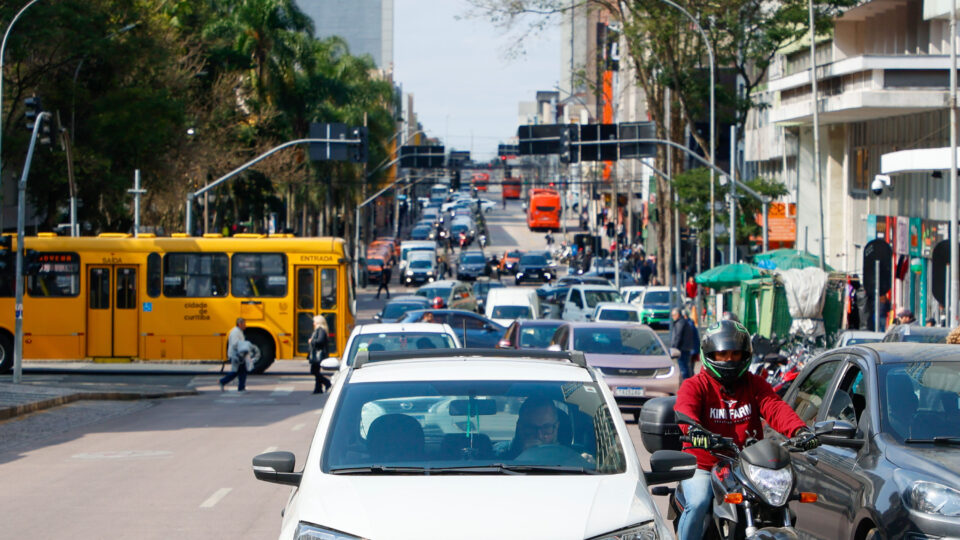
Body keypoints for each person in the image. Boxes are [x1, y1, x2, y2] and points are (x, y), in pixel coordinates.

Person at [674, 320, 819, 540]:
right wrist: (695, 433)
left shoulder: (754, 383)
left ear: (746, 355)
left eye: (736, 354)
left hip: (747, 466)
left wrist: (800, 431)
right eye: (723, 354)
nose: (730, 360)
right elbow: (686, 412)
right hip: (704, 465)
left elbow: (775, 407)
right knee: (698, 502)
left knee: (778, 501)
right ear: (710, 355)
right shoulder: (695, 385)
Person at [495, 396, 560, 459]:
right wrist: (522, 456)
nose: (539, 435)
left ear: (556, 427)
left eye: (546, 428)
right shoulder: (500, 456)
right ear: (519, 427)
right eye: (531, 428)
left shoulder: (568, 459)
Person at [219, 318, 249, 392]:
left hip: (239, 355)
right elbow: (235, 344)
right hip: (236, 355)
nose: (245, 325)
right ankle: (223, 381)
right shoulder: (235, 332)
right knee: (238, 372)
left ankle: (240, 387)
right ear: (239, 324)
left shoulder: (239, 331)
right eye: (244, 324)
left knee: (240, 371)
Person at [670, 308, 698, 380]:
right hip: (686, 348)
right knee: (686, 367)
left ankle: (686, 383)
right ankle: (688, 381)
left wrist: (674, 348)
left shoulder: (680, 323)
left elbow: (678, 336)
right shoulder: (684, 322)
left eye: (674, 315)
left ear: (678, 315)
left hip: (682, 349)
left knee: (683, 368)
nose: (673, 317)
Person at [308, 315, 332, 394]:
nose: (313, 323)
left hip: (318, 355)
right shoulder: (319, 330)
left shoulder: (320, 330)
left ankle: (327, 383)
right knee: (316, 371)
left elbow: (320, 341)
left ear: (318, 323)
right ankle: (318, 389)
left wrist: (311, 341)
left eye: (314, 322)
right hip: (317, 355)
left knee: (314, 371)